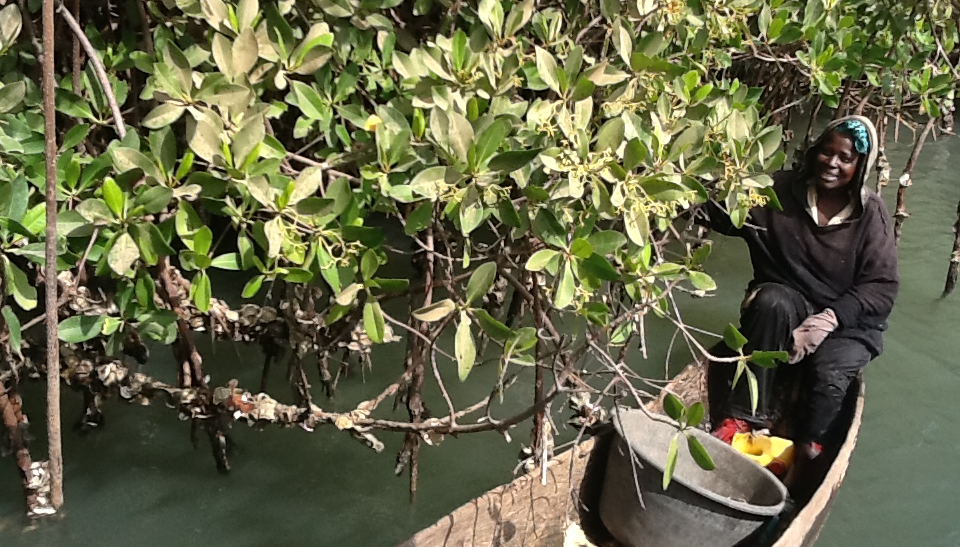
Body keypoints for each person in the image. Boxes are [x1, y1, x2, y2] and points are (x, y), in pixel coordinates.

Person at [701, 115, 899, 461]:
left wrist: (830, 319)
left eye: (845, 158)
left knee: (828, 376)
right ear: (814, 152)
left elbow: (882, 288)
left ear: (860, 165)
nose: (832, 163)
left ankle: (809, 449)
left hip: (845, 325)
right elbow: (721, 211)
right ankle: (741, 418)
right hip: (787, 309)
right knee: (771, 302)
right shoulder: (778, 191)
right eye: (827, 152)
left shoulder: (871, 215)